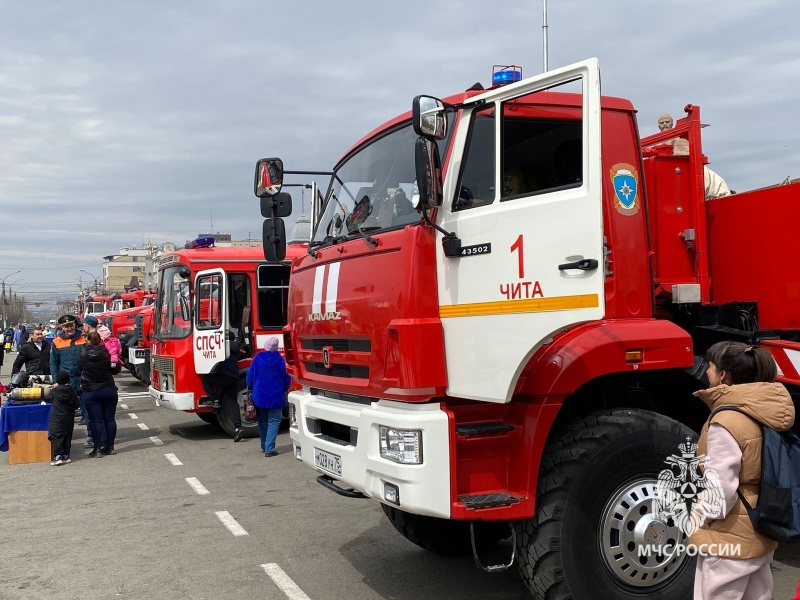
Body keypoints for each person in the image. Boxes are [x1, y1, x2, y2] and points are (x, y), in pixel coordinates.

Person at [691, 341, 795, 600]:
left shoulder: (724, 421)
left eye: (711, 366)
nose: (706, 372)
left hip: (729, 533)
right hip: (761, 523)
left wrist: (699, 516)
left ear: (723, 374)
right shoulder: (763, 411)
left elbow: (721, 490)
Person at [246, 337, 292, 457]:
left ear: (266, 346)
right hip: (276, 395)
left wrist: (250, 387)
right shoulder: (281, 360)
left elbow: (250, 375)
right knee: (274, 421)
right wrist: (285, 388)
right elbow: (287, 378)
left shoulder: (257, 358)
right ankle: (269, 448)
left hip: (259, 395)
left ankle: (264, 444)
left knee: (262, 420)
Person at [78, 332, 120, 457]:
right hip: (108, 389)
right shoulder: (108, 353)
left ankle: (97, 449)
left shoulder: (83, 355)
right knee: (110, 419)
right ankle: (110, 447)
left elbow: (79, 368)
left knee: (96, 421)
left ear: (89, 341)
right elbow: (116, 370)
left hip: (91, 390)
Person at [201, 332, 247, 441]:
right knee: (233, 401)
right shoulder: (236, 349)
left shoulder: (221, 347)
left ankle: (214, 399)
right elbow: (244, 354)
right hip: (235, 378)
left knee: (206, 379)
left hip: (224, 377)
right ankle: (238, 427)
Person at [48, 370, 80, 465]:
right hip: (68, 416)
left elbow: (48, 399)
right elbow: (77, 404)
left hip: (57, 417)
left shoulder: (54, 392)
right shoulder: (72, 391)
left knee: (57, 435)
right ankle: (66, 455)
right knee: (67, 435)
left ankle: (57, 456)